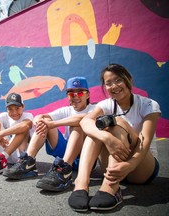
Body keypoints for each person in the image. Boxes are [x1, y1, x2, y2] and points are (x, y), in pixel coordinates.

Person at [68, 64, 161, 212]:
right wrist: (107, 138)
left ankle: (111, 188)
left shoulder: (148, 104)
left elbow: (145, 141)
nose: (114, 86)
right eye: (108, 83)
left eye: (118, 80)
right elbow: (84, 121)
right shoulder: (106, 104)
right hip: (113, 166)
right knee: (95, 128)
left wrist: (130, 165)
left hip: (141, 166)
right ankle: (81, 184)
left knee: (117, 122)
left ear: (128, 80)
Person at [3, 77, 95, 192]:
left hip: (85, 157)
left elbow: (82, 118)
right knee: (44, 123)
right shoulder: (66, 110)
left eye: (80, 92)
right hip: (66, 152)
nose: (75, 96)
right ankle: (28, 162)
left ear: (88, 95)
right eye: (71, 93)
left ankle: (65, 172)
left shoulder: (95, 109)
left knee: (77, 126)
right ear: (67, 96)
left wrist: (53, 123)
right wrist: (40, 121)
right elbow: (40, 116)